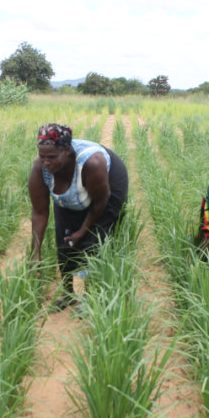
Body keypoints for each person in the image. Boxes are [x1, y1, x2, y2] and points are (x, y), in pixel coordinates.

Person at [28, 124, 128, 310]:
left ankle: (91, 296)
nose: (46, 162)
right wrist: (36, 253)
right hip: (72, 192)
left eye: (52, 157)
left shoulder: (92, 163)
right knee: (64, 239)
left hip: (107, 186)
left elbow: (100, 204)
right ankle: (68, 293)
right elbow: (39, 212)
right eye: (42, 156)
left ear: (67, 150)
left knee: (96, 238)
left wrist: (82, 231)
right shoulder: (40, 168)